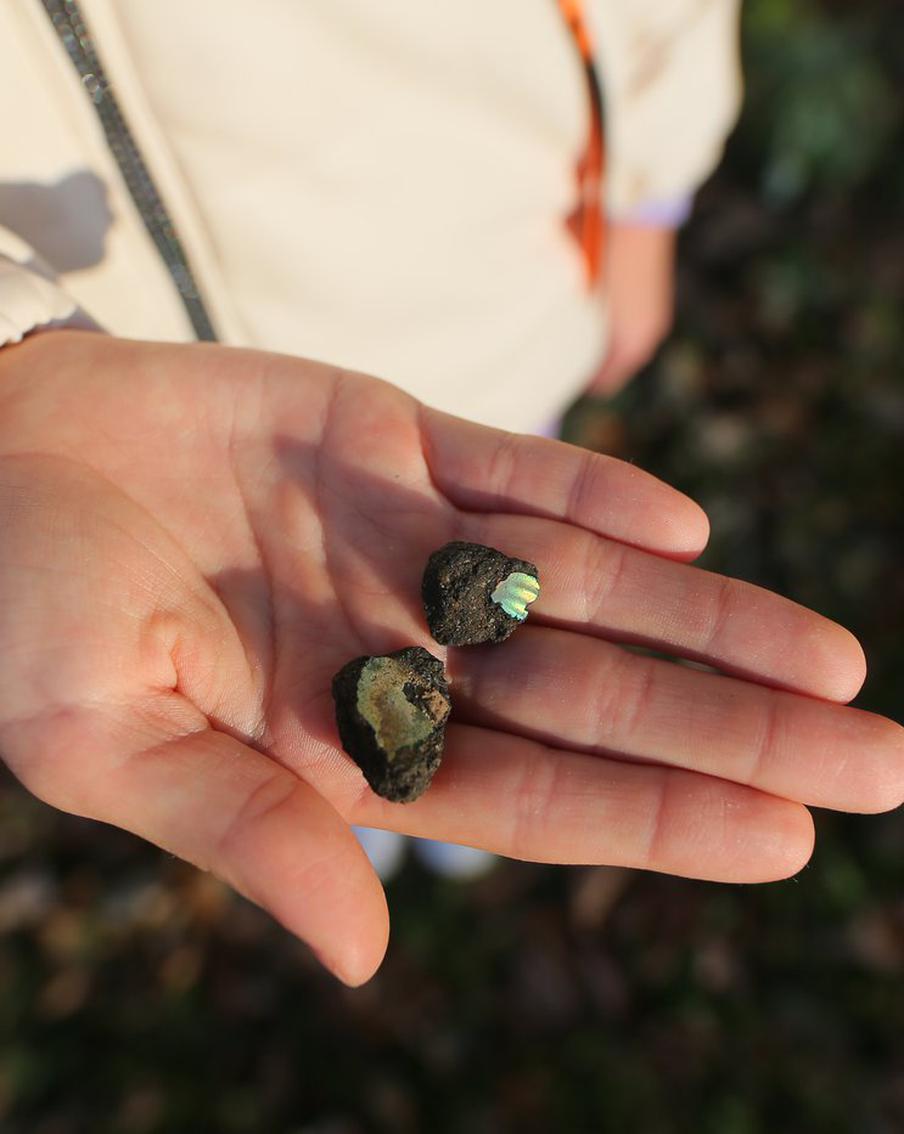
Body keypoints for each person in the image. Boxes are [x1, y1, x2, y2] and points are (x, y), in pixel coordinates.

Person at [0, 3, 901, 986]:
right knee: (340, 771)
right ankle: (389, 817)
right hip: (112, 373)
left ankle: (443, 815)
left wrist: (647, 182)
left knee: (501, 565)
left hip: (481, 334)